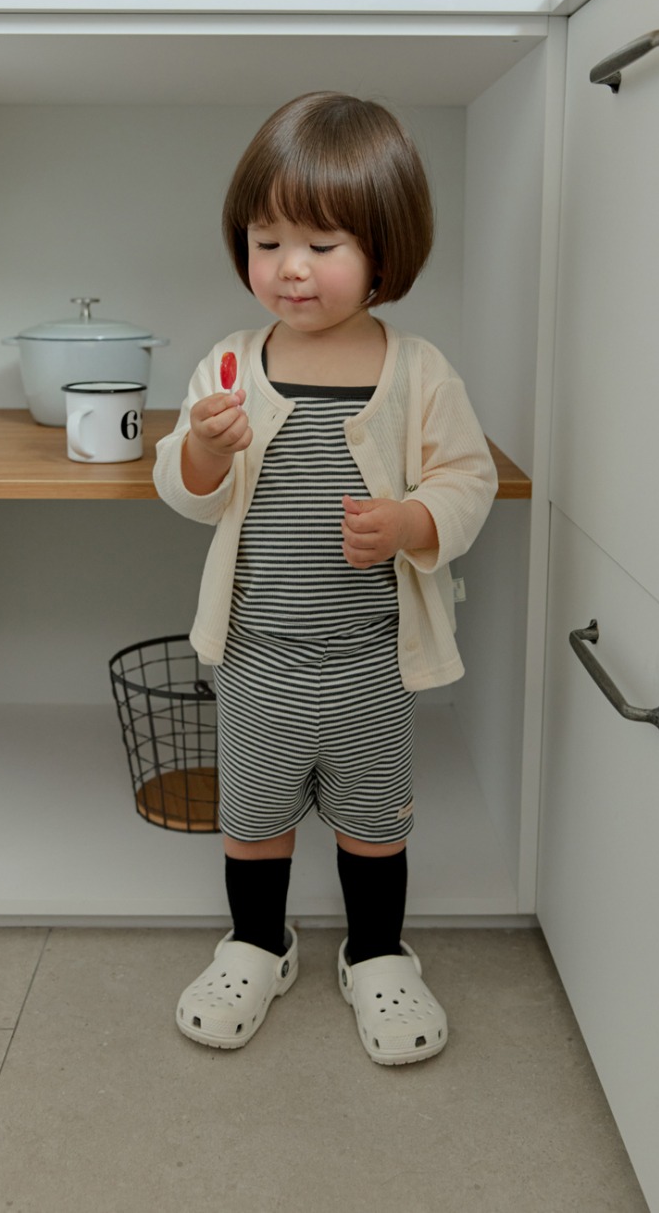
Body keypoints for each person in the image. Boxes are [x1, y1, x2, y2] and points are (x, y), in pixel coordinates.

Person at [153, 91, 497, 1066]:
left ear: (384, 251)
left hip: (371, 659)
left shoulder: (418, 371)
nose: (289, 267)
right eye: (266, 242)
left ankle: (377, 953)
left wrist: (413, 521)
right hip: (258, 654)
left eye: (320, 243)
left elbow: (468, 478)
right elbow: (181, 488)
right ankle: (256, 945)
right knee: (253, 820)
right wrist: (204, 453)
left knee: (374, 824)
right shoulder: (230, 365)